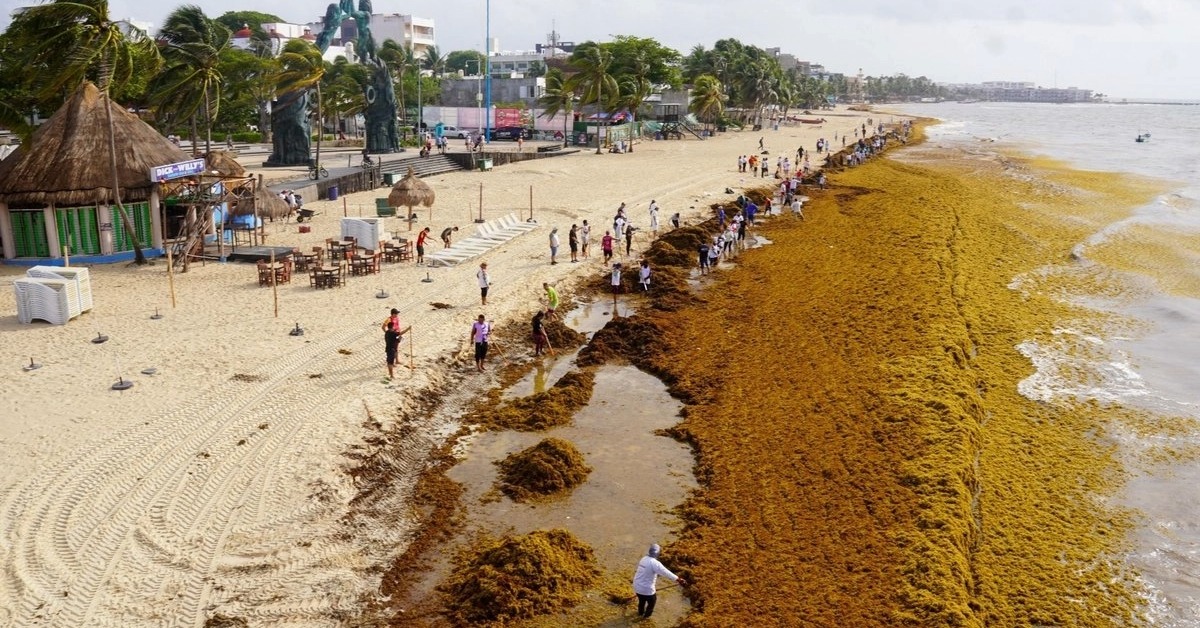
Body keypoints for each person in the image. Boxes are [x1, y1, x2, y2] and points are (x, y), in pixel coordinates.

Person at [632, 544, 685, 619]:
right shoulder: (655, 563)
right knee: (651, 603)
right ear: (657, 553)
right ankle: (645, 618)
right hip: (647, 589)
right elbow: (666, 572)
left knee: (641, 601)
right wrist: (678, 579)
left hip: (637, 586)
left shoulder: (643, 559)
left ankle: (640, 613)